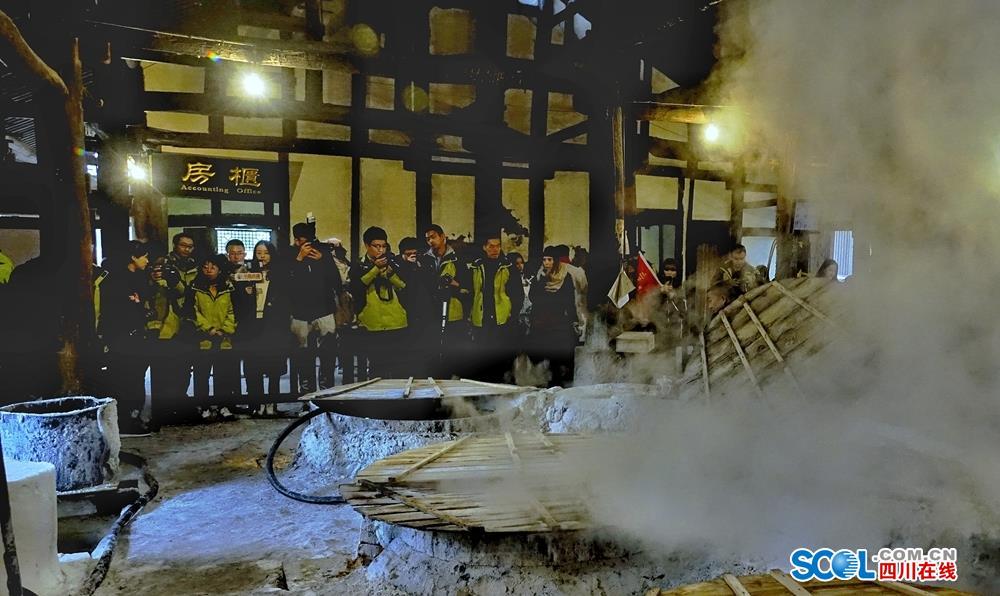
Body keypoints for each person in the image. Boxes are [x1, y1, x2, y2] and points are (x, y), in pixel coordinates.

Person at [99, 241, 154, 435]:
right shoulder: (117, 279)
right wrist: (137, 305)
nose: (147, 261)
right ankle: (126, 420)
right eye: (144, 257)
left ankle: (133, 416)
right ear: (133, 257)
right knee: (125, 378)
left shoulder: (137, 277)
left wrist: (138, 305)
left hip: (135, 335)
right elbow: (118, 310)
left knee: (136, 377)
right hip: (122, 336)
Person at [289, 222, 342, 392]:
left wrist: (323, 261)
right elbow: (286, 282)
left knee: (328, 354)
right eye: (297, 240)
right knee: (303, 355)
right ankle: (306, 393)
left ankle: (327, 391)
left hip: (324, 310)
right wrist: (299, 259)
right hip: (299, 312)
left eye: (301, 240)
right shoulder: (290, 254)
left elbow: (336, 281)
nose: (298, 243)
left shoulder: (323, 253)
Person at [351, 226, 408, 378]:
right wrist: (375, 269)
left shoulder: (394, 263)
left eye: (383, 246)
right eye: (376, 246)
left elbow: (404, 287)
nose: (380, 250)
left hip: (396, 323)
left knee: (398, 370)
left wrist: (390, 273)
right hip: (372, 325)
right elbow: (356, 287)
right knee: (377, 369)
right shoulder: (358, 265)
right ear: (366, 245)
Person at [243, 241, 290, 416]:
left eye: (266, 252)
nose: (262, 256)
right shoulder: (249, 273)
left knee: (273, 367)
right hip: (253, 326)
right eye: (258, 252)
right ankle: (257, 404)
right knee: (253, 366)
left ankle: (271, 404)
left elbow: (286, 299)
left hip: (274, 325)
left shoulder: (280, 273)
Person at [188, 254, 238, 418]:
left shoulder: (228, 288)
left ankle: (224, 406)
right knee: (201, 375)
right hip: (203, 339)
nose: (208, 270)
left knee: (223, 375)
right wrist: (208, 329)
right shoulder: (195, 288)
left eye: (213, 267)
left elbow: (233, 311)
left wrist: (225, 329)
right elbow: (193, 311)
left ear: (219, 270)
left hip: (224, 339)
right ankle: (203, 407)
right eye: (205, 267)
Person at [467, 234, 524, 380]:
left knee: (501, 351)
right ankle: (485, 380)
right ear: (484, 247)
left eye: (498, 246)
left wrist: (512, 313)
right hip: (481, 314)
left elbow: (517, 293)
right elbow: (471, 291)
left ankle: (501, 380)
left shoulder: (508, 266)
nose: (495, 249)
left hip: (502, 315)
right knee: (482, 350)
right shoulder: (476, 266)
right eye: (491, 246)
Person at [424, 224, 471, 376]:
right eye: (427, 239)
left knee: (452, 349)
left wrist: (453, 284)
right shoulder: (425, 259)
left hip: (453, 311)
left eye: (433, 237)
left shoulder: (457, 259)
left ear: (442, 236)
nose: (430, 241)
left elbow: (468, 286)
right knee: (434, 350)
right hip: (431, 312)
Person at [528, 246, 578, 387]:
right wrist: (542, 283)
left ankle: (557, 380)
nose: (546, 263)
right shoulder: (539, 276)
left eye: (549, 259)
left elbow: (569, 300)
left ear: (555, 260)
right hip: (541, 320)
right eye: (544, 260)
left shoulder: (565, 277)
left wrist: (573, 319)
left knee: (556, 351)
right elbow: (533, 297)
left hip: (558, 320)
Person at [396, 236, 436, 375]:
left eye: (415, 253)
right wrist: (409, 266)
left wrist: (418, 267)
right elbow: (404, 287)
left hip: (425, 313)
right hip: (406, 313)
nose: (413, 256)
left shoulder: (424, 264)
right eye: (409, 254)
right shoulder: (397, 266)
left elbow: (431, 284)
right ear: (402, 254)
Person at [556, 245, 589, 341]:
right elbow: (584, 289)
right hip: (578, 306)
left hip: (560, 310)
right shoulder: (578, 271)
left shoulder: (554, 270)